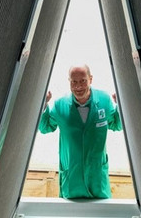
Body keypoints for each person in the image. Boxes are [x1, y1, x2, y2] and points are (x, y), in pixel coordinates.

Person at [38, 64, 122, 199]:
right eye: (74, 82)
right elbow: (45, 127)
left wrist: (121, 106)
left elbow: (117, 124)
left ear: (90, 79)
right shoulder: (60, 105)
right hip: (72, 178)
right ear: (69, 81)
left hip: (97, 179)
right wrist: (43, 104)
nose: (78, 86)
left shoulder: (104, 100)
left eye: (83, 80)